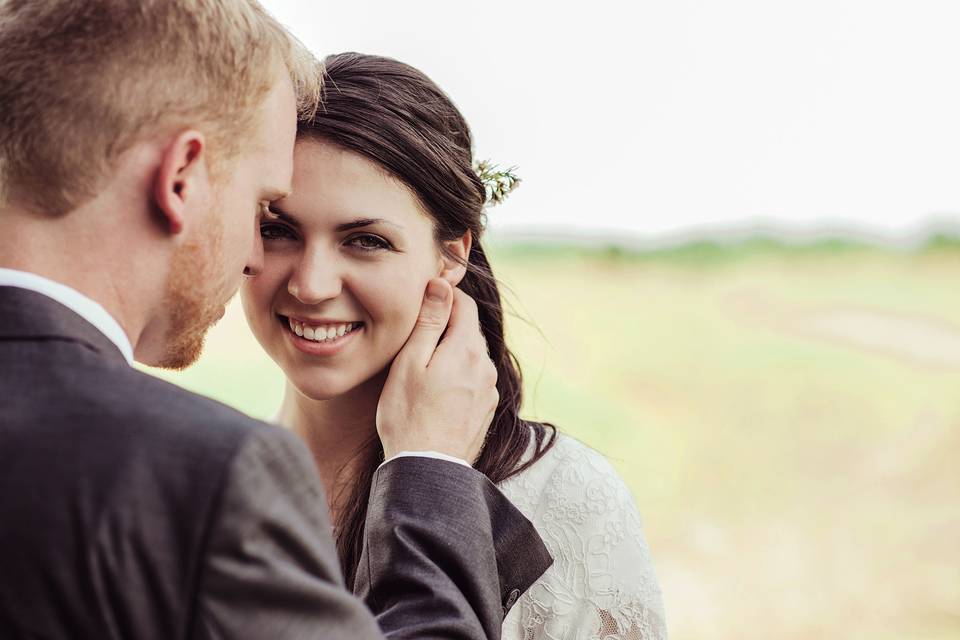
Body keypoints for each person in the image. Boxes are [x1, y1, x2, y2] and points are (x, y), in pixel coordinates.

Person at [0, 3, 551, 639]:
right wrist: (430, 474)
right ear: (181, 177)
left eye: (365, 240)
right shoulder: (204, 475)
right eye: (266, 212)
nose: (257, 260)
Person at [240, 52, 668, 639]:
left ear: (452, 254)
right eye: (278, 230)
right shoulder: (204, 482)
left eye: (365, 240)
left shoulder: (563, 499)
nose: (311, 284)